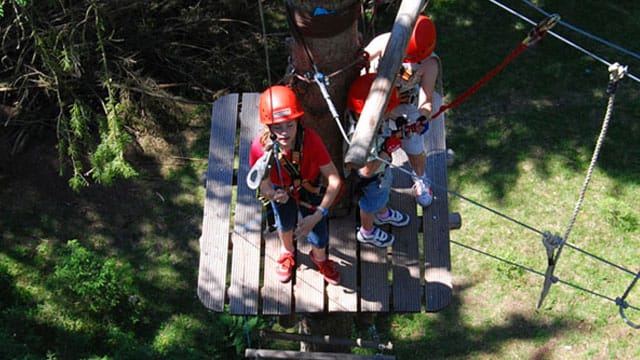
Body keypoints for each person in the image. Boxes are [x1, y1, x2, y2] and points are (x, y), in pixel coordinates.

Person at [249, 85, 343, 285]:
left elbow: (334, 180)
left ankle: (320, 258)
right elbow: (263, 186)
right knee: (285, 224)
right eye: (277, 127)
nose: (284, 132)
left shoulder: (310, 140)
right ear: (268, 126)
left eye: (289, 125)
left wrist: (318, 214)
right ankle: (287, 252)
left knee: (319, 234)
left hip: (309, 189)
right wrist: (273, 196)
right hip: (280, 190)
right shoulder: (260, 148)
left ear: (298, 121)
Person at [364, 14, 443, 207]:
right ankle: (372, 180)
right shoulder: (383, 43)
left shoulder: (429, 63)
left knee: (414, 147)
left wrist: (422, 117)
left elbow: (426, 99)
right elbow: (361, 63)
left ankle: (420, 177)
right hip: (376, 98)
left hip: (406, 104)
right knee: (371, 144)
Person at [346, 73, 411, 247]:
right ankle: (367, 232)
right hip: (372, 179)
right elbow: (365, 170)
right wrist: (386, 150)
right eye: (387, 109)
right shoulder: (363, 138)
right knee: (368, 205)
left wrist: (398, 121)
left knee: (381, 197)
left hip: (382, 173)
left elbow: (388, 113)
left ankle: (382, 213)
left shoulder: (369, 119)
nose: (390, 112)